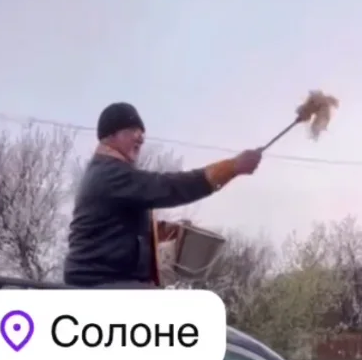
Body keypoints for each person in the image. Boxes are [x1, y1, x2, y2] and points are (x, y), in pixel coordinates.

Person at [63, 102, 263, 288]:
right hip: (100, 283)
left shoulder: (108, 173)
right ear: (110, 135)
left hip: (108, 281)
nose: (141, 138)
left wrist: (161, 233)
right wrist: (231, 168)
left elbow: (115, 229)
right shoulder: (110, 174)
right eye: (133, 130)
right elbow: (168, 187)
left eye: (142, 132)